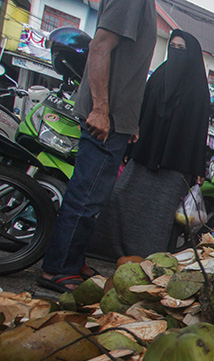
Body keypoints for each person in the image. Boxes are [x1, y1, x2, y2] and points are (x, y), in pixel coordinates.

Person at [37, 0, 157, 292]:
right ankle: (58, 269)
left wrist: (129, 122)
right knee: (86, 196)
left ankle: (72, 260)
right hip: (107, 117)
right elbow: (99, 46)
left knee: (93, 197)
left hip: (117, 119)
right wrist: (101, 109)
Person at [90, 30, 211, 259]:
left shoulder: (198, 90)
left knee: (158, 215)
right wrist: (129, 149)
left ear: (192, 54)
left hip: (175, 165)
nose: (175, 53)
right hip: (144, 156)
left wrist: (197, 169)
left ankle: (146, 259)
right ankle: (107, 249)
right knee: (121, 200)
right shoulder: (158, 77)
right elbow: (142, 114)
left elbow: (198, 133)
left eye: (181, 49)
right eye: (172, 48)